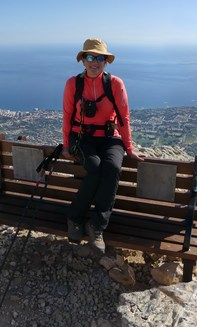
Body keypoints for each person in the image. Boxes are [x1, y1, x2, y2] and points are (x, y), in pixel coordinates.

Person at [61, 38, 144, 254]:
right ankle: (75, 218)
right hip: (81, 137)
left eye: (99, 58)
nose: (94, 62)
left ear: (106, 62)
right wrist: (66, 145)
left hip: (109, 138)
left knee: (113, 167)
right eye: (90, 57)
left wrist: (129, 148)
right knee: (95, 167)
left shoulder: (115, 84)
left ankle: (96, 225)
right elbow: (68, 116)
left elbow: (123, 117)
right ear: (83, 60)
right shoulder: (74, 84)